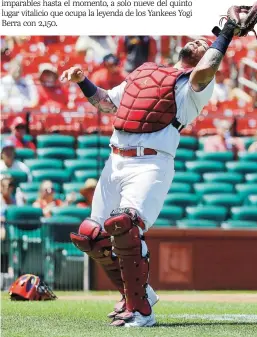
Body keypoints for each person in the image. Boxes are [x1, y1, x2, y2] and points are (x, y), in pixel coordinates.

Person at [62, 19, 240, 327]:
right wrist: (83, 81)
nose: (198, 42)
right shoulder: (144, 72)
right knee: (90, 236)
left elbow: (207, 68)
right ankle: (135, 295)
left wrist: (225, 35)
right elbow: (107, 103)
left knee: (125, 225)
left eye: (204, 45)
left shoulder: (196, 85)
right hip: (114, 160)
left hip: (151, 163)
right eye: (196, 40)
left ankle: (142, 311)